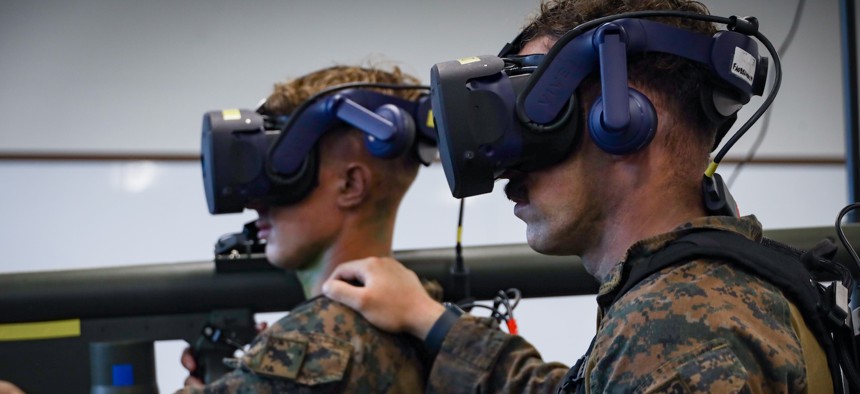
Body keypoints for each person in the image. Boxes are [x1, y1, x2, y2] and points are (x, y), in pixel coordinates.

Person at [322, 1, 834, 393]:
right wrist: (430, 322)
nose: (507, 168)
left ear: (622, 117)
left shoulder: (673, 327)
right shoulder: (706, 293)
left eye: (533, 118)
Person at [178, 64, 440, 393]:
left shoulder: (309, 353)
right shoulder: (436, 334)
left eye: (284, 173)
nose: (257, 203)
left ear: (350, 185)